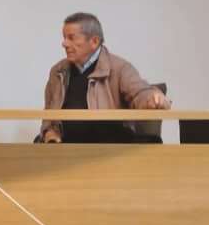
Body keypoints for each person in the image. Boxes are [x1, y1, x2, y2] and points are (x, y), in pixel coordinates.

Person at [41, 12, 170, 144]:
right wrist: (49, 133)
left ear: (94, 41)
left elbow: (140, 93)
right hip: (65, 147)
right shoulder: (58, 71)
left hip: (109, 147)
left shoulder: (120, 68)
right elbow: (49, 117)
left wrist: (152, 97)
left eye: (71, 38)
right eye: (64, 37)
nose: (64, 43)